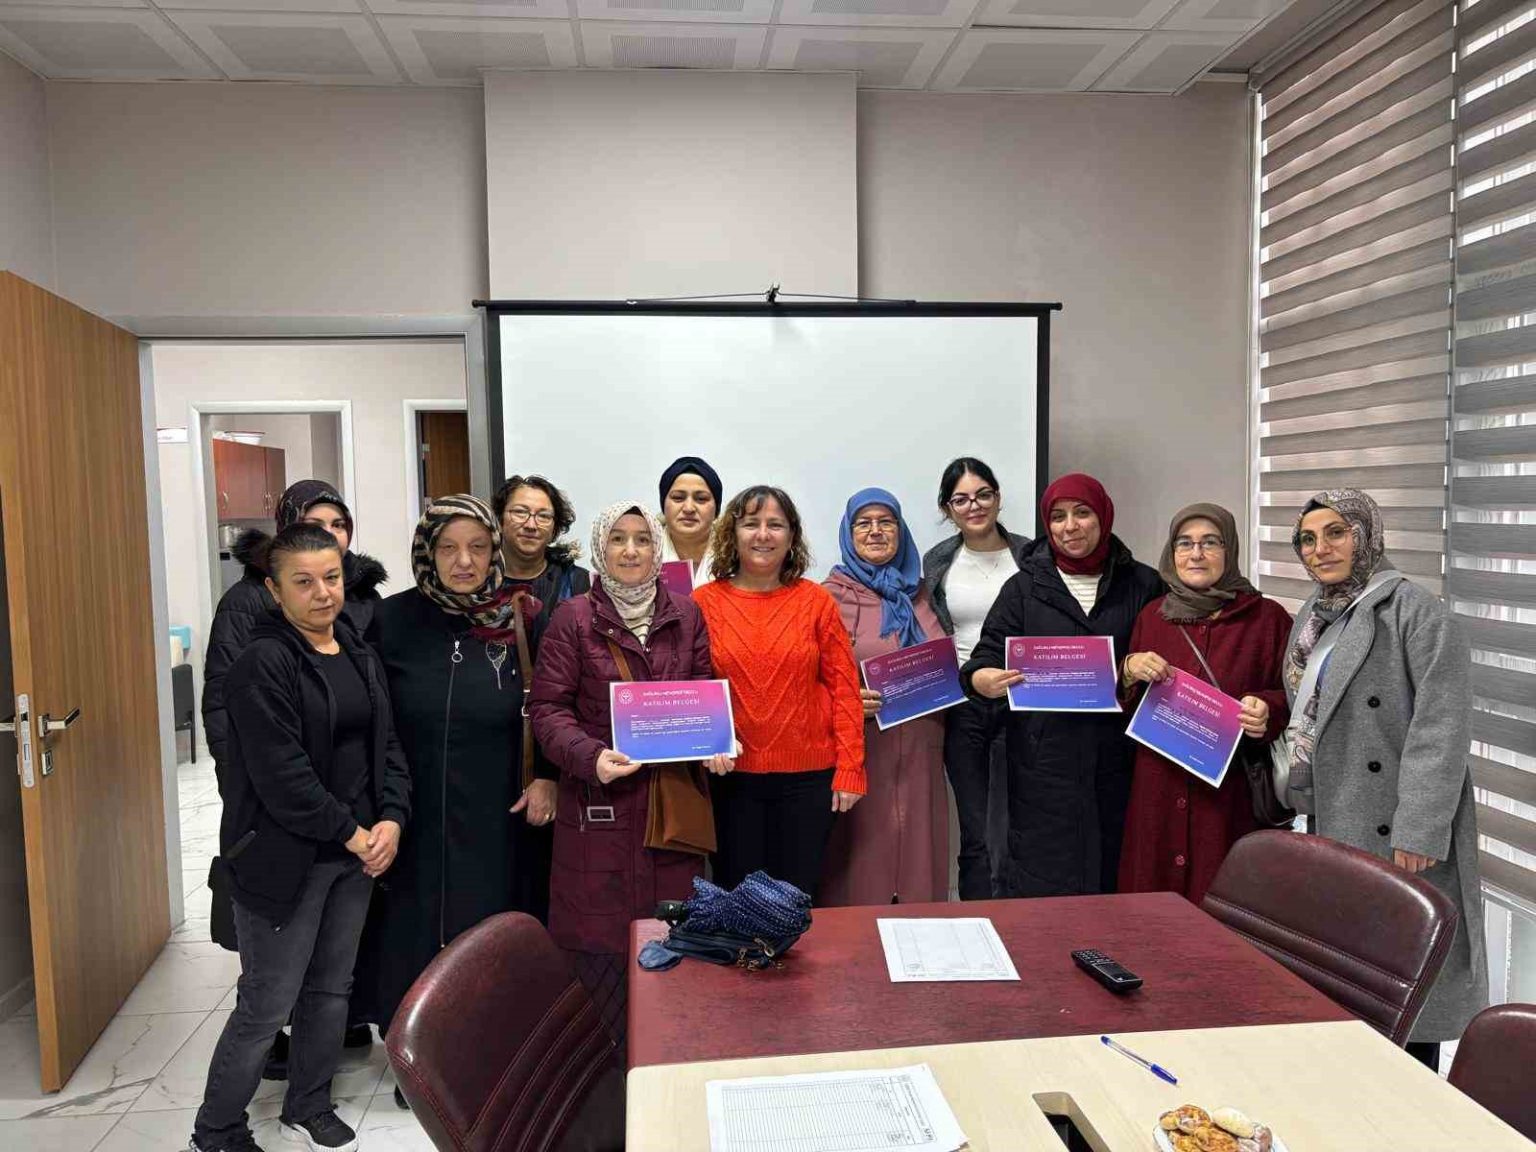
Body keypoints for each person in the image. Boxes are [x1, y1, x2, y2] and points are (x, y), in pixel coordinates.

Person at [191, 524, 409, 1152]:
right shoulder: (261, 663)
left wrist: (392, 819)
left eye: (332, 578)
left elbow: (388, 747)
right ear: (274, 590)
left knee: (332, 987)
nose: (322, 593)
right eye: (304, 582)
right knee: (267, 1003)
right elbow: (283, 776)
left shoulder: (357, 651)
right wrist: (354, 834)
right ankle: (216, 1130)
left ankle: (308, 1103)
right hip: (284, 860)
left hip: (355, 854)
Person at [1284, 488, 1486, 1069]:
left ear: (1366, 534)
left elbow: (1440, 728)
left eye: (1336, 533)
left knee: (1407, 980)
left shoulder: (1418, 613)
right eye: (1307, 539)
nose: (1320, 549)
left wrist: (1419, 829)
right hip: (1337, 811)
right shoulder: (1314, 614)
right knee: (1352, 977)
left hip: (1400, 826)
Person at [352, 495, 542, 1097]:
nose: (464, 561)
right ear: (427, 553)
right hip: (411, 808)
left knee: (487, 933)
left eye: (478, 547)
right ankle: (415, 1059)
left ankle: (482, 1054)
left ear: (495, 552)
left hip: (495, 811)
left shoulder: (518, 617)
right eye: (449, 548)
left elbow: (549, 705)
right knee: (410, 929)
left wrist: (547, 777)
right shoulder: (390, 621)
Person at [529, 501, 727, 1056]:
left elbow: (701, 691)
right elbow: (547, 709)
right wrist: (589, 757)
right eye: (618, 539)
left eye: (642, 538)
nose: (632, 550)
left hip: (671, 812)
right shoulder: (572, 618)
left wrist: (717, 742)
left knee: (673, 939)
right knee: (598, 948)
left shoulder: (686, 614)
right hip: (599, 810)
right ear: (600, 547)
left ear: (657, 548)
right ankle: (604, 1070)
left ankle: (669, 1062)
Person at [201, 480, 386, 1071]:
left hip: (348, 824)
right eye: (315, 522)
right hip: (281, 816)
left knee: (332, 973)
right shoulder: (249, 609)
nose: (330, 535)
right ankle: (232, 1103)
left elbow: (378, 726)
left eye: (339, 525)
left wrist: (381, 813)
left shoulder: (361, 609)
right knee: (271, 986)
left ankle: (313, 1083)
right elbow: (225, 706)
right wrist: (244, 784)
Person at [961, 473, 1160, 897]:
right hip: (1043, 767)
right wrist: (983, 679)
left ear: (1103, 516)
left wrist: (1132, 670)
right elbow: (986, 655)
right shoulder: (1023, 588)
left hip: (1120, 762)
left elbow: (1167, 662)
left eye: (1082, 513)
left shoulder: (1143, 584)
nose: (1070, 526)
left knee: (1116, 881)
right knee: (1044, 891)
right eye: (1057, 516)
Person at [693, 485, 865, 897]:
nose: (763, 535)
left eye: (775, 525)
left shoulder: (816, 601)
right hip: (731, 781)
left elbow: (844, 690)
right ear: (732, 534)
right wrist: (706, 741)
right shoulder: (703, 603)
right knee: (737, 899)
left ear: (792, 537)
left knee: (796, 901)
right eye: (751, 524)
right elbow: (692, 685)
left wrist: (851, 768)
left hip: (810, 782)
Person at [1117, 503, 1292, 904]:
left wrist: (1268, 709)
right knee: (1155, 911)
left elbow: (1295, 698)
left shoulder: (1268, 619)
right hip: (1158, 792)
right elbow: (1127, 708)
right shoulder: (1153, 617)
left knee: (1225, 906)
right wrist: (1127, 670)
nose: (1196, 554)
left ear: (1229, 549)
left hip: (1229, 796)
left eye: (1210, 543)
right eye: (1185, 543)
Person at [822, 488, 949, 906]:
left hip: (922, 746)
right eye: (864, 523)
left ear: (901, 529)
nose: (875, 531)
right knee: (860, 862)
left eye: (886, 522)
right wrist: (842, 701)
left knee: (920, 858)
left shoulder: (925, 593)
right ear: (848, 533)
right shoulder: (828, 597)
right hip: (861, 747)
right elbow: (806, 675)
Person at [921, 457, 1032, 900]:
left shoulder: (1031, 555)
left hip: (1024, 700)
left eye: (983, 494)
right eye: (961, 499)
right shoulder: (938, 561)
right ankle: (976, 917)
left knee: (1021, 823)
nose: (975, 506)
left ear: (998, 498)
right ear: (947, 509)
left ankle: (1021, 919)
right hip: (964, 703)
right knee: (976, 829)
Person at [490, 473, 592, 638]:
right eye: (520, 512)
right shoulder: (480, 579)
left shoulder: (575, 582)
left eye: (543, 516)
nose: (531, 525)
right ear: (499, 519)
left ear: (555, 529)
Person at [658, 455, 723, 587]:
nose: (689, 508)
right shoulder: (644, 552)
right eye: (678, 498)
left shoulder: (735, 555)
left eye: (701, 499)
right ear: (663, 505)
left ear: (716, 509)